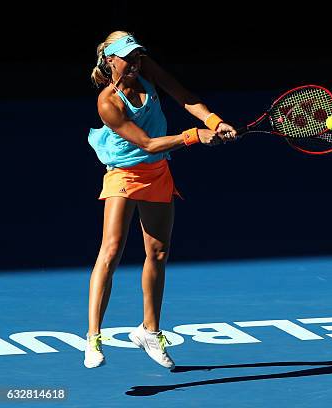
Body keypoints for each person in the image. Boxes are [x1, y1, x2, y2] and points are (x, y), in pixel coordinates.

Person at [84, 31, 237, 369]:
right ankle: (93, 337)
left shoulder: (145, 68)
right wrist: (194, 136)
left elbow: (182, 95)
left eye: (138, 54)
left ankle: (149, 331)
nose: (135, 61)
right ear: (110, 61)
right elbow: (148, 144)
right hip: (124, 172)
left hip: (157, 173)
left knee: (158, 252)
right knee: (111, 249)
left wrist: (214, 120)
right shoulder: (107, 102)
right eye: (128, 57)